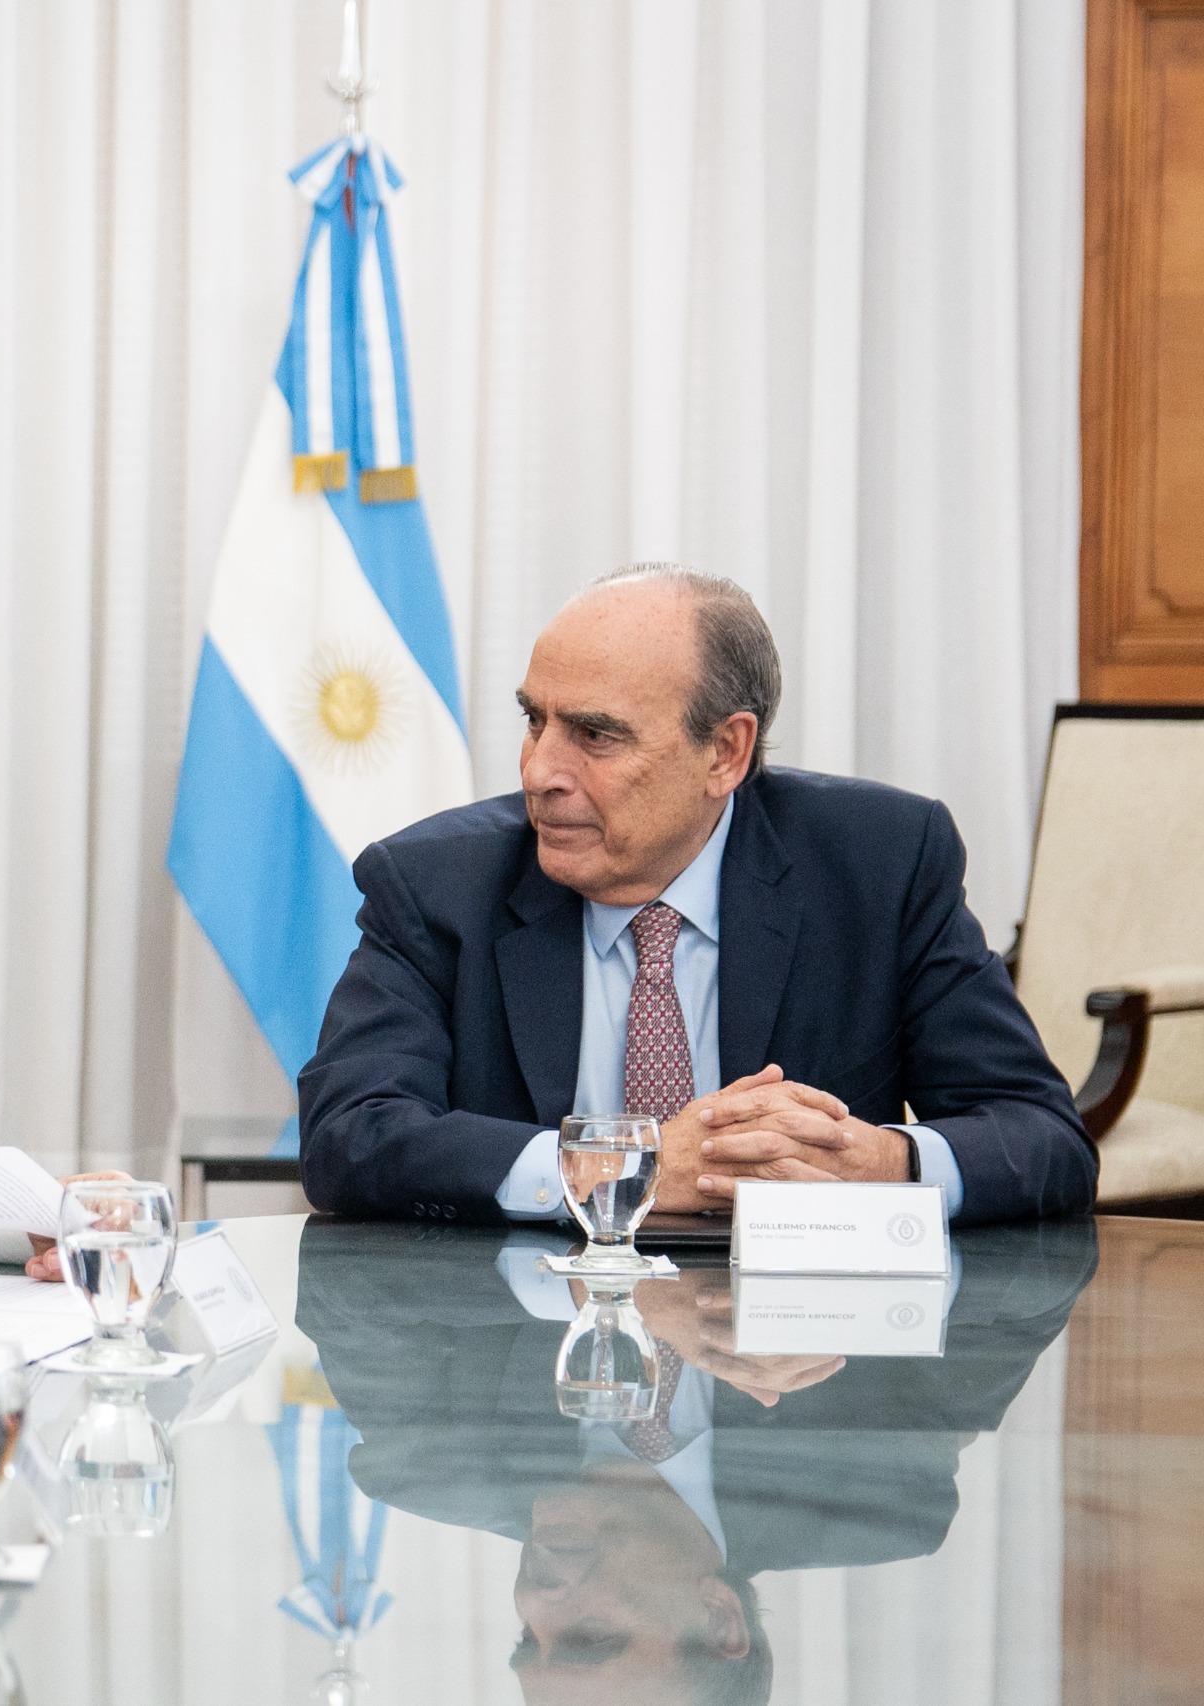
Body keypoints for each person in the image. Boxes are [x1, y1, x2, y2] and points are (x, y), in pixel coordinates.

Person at [298, 565, 1096, 1227]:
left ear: (725, 752)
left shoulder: (880, 865)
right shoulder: (436, 884)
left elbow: (1043, 1136)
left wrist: (889, 1162)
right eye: (535, 721)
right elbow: (349, 1136)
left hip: (801, 1380)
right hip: (522, 1361)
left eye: (595, 735)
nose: (541, 770)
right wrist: (615, 1169)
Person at [293, 1217, 1096, 1706]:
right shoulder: (880, 1496)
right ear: (719, 1620)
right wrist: (887, 1162)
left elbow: (345, 1275)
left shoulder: (429, 1463)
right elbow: (1029, 1278)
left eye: (527, 1638)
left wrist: (586, 1287)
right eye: (587, 1638)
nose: (534, 1598)